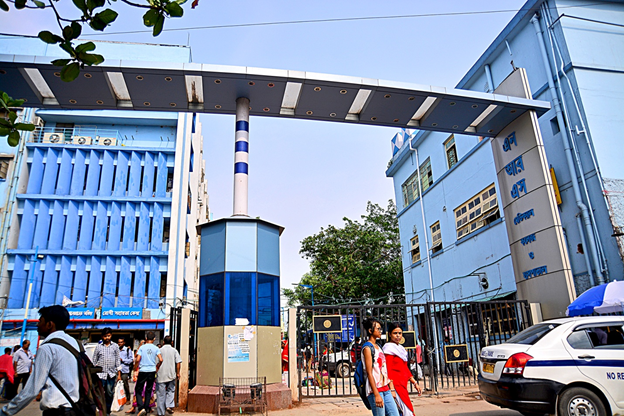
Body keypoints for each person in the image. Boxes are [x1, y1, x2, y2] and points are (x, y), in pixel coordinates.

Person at [0, 305, 80, 416]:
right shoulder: (75, 344)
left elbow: (32, 390)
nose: (37, 325)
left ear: (49, 324)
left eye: (40, 321)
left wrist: (5, 411)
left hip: (56, 412)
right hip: (76, 409)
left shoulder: (46, 348)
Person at [362, 318, 399, 416]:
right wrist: (376, 394)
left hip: (385, 388)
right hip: (375, 390)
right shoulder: (367, 348)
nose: (380, 331)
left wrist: (391, 388)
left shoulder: (378, 346)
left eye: (380, 329)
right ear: (370, 331)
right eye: (378, 329)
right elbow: (369, 373)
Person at [383, 323, 422, 416]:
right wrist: (392, 389)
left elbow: (405, 368)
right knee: (406, 411)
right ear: (389, 334)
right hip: (395, 385)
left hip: (403, 384)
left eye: (400, 333)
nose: (398, 336)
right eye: (395, 333)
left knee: (407, 410)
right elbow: (387, 370)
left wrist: (415, 383)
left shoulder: (401, 349)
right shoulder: (388, 348)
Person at [93, 327, 121, 415]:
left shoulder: (115, 346)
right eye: (105, 336)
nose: (107, 338)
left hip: (111, 374)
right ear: (102, 336)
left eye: (108, 336)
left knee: (109, 393)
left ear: (111, 336)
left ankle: (107, 411)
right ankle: (101, 410)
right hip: (101, 375)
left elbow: (118, 361)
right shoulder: (98, 347)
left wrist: (119, 374)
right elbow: (94, 361)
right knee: (100, 394)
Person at [134, 332, 162, 416]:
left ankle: (141, 407)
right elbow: (161, 359)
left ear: (146, 338)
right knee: (148, 390)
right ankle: (146, 409)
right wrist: (157, 366)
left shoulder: (142, 347)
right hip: (152, 371)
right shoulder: (156, 348)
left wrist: (135, 368)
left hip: (143, 370)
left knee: (138, 389)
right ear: (154, 339)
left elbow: (137, 359)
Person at [156, 336, 181, 416]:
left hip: (161, 375)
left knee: (161, 395)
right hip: (171, 375)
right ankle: (169, 405)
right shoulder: (174, 351)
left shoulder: (159, 350)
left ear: (163, 342)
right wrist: (178, 373)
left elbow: (156, 363)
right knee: (171, 391)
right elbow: (178, 362)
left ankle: (161, 413)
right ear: (172, 342)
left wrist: (155, 373)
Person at [118, 337, 134, 407]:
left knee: (125, 384)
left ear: (124, 343)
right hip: (117, 370)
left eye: (121, 342)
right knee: (116, 385)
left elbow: (131, 360)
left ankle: (128, 398)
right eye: (119, 342)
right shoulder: (116, 350)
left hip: (124, 370)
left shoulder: (127, 350)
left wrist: (123, 360)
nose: (120, 343)